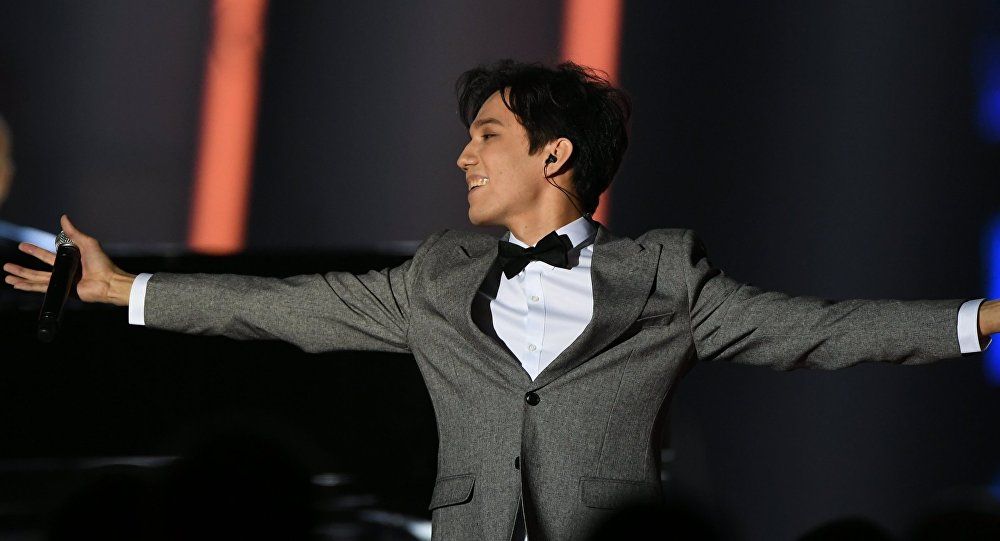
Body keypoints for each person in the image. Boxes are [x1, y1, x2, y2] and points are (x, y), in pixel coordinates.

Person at [3, 60, 998, 540]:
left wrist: (983, 319)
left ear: (554, 155)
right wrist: (123, 288)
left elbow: (817, 330)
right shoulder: (437, 277)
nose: (462, 156)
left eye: (485, 135)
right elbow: (290, 308)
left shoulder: (664, 277)